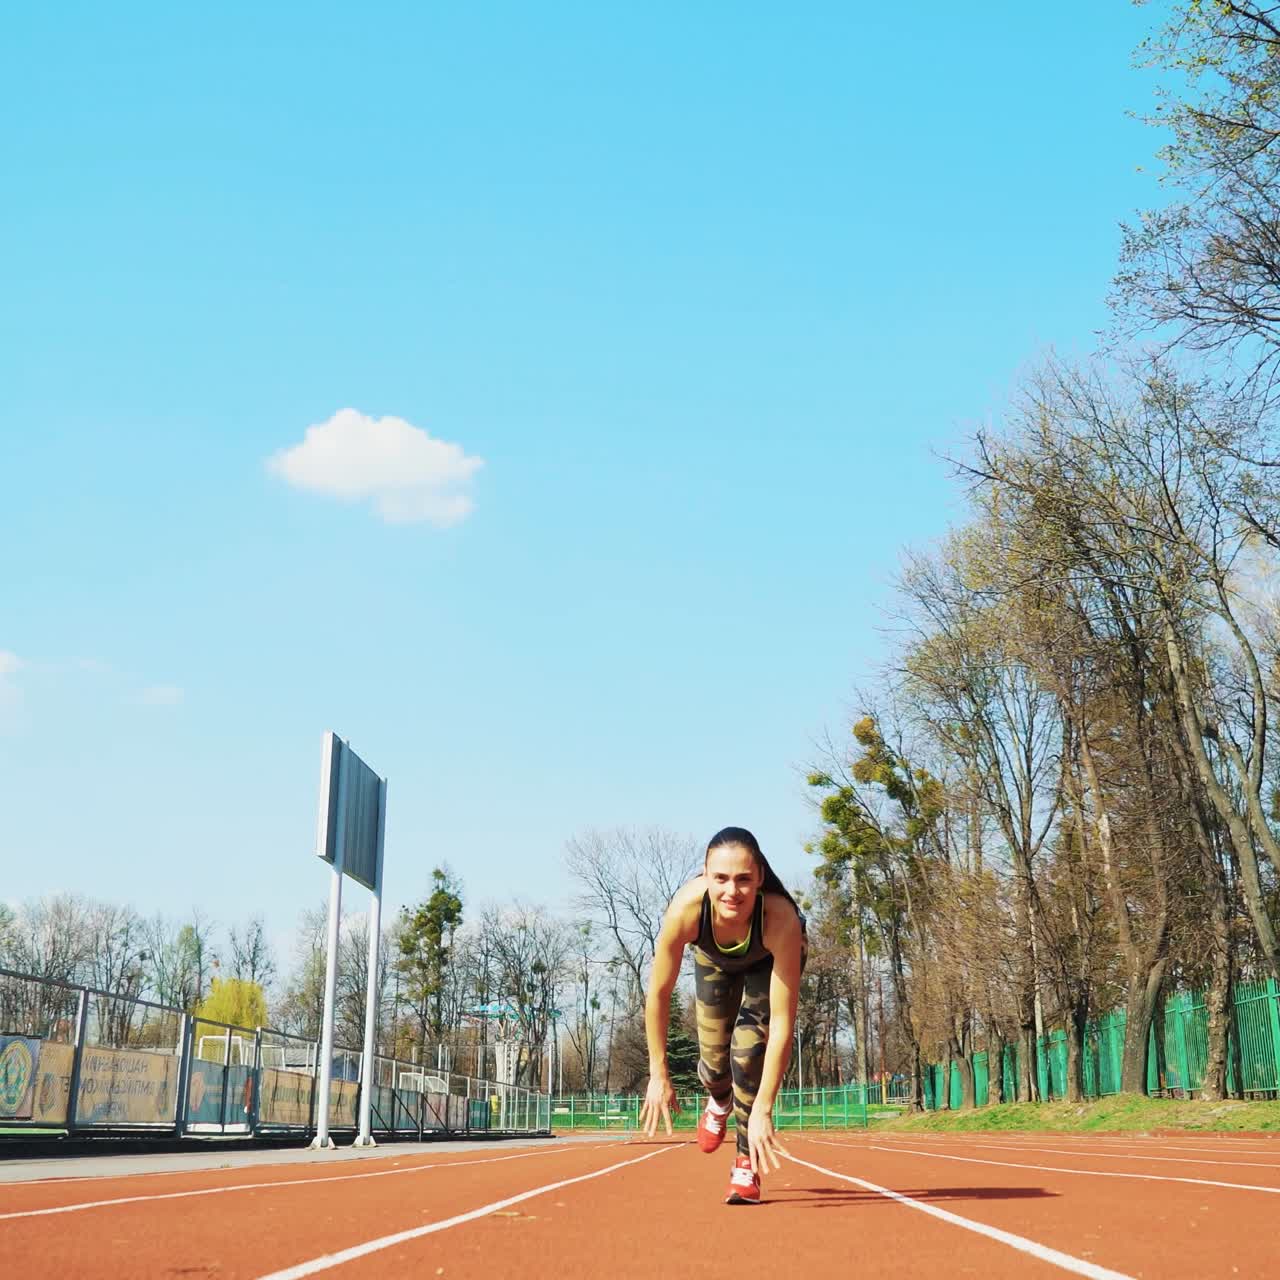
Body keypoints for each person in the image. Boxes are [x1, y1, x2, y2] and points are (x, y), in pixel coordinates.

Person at [639, 826, 805, 1204]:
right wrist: (658, 1072)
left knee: (747, 1053)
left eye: (744, 880)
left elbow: (781, 1025)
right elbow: (659, 994)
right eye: (721, 879)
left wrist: (763, 1108)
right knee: (715, 1064)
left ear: (760, 878)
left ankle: (746, 1163)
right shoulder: (686, 910)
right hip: (713, 959)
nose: (732, 892)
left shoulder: (781, 920)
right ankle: (719, 1100)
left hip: (767, 963)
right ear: (705, 875)